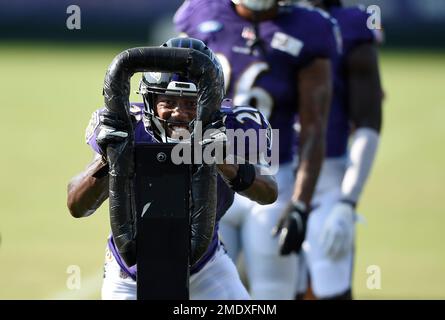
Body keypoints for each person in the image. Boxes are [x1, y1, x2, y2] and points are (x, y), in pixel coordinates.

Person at [66, 37, 277, 300]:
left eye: (191, 103)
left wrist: (223, 160)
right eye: (168, 101)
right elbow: (76, 205)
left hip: (206, 268)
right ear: (149, 101)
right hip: (130, 274)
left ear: (212, 102)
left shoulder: (236, 126)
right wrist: (110, 158)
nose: (179, 113)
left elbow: (269, 192)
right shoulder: (131, 126)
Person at [174, 0, 337, 299]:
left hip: (272, 176)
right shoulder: (201, 11)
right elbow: (172, 98)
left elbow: (314, 126)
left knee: (273, 292)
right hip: (210, 172)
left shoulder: (309, 27)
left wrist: (301, 203)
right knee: (198, 289)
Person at [294, 0, 384, 299]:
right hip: (258, 176)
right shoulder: (229, 18)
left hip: (325, 178)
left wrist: (348, 200)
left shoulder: (352, 24)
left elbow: (368, 121)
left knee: (329, 287)